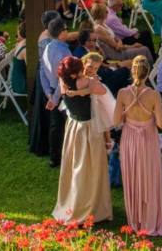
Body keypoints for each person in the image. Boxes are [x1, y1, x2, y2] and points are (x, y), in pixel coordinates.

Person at [52, 56, 113, 225]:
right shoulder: (88, 82)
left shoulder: (62, 81)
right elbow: (102, 91)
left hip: (73, 127)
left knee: (74, 166)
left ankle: (71, 202)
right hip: (88, 129)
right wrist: (87, 87)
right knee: (91, 168)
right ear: (74, 73)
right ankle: (92, 206)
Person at [113, 55, 162, 236]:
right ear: (148, 72)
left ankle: (135, 220)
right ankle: (150, 220)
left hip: (129, 139)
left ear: (132, 71)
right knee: (149, 178)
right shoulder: (153, 95)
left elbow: (115, 121)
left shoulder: (122, 93)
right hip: (148, 140)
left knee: (132, 177)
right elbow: (160, 124)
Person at [29, 11, 64, 159]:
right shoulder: (46, 40)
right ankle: (48, 147)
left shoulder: (48, 35)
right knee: (48, 113)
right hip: (48, 76)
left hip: (47, 73)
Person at [41, 17, 73, 167]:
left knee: (55, 126)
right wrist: (54, 98)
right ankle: (65, 156)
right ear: (61, 33)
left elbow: (42, 71)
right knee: (67, 124)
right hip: (62, 93)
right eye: (66, 29)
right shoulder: (63, 53)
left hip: (52, 92)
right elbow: (63, 79)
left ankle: (54, 157)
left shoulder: (48, 47)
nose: (68, 31)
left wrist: (48, 92)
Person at [76, 52, 116, 150]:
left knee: (103, 115)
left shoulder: (94, 78)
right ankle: (106, 141)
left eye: (96, 68)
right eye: (90, 66)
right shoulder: (79, 76)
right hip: (89, 100)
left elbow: (93, 89)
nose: (92, 70)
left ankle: (108, 141)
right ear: (84, 63)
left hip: (98, 98)